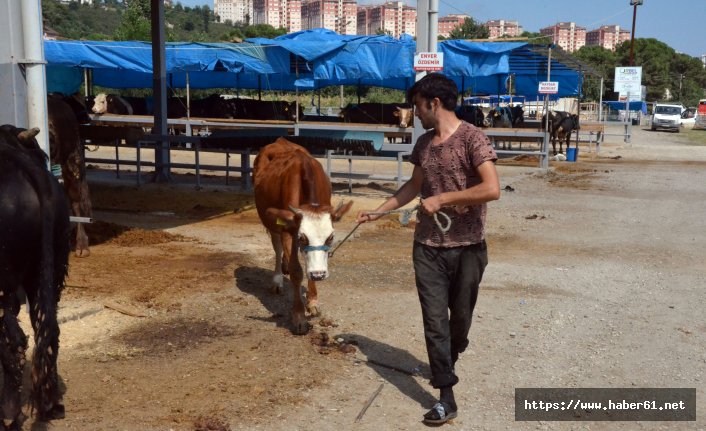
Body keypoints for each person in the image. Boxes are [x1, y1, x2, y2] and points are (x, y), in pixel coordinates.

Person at [356, 73, 500, 425]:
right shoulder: (423, 145)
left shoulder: (473, 138)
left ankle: (452, 350)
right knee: (435, 321)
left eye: (418, 106)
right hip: (428, 248)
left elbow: (492, 188)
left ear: (434, 103)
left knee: (459, 322)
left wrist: (443, 199)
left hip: (468, 247)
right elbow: (414, 186)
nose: (414, 113)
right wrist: (380, 210)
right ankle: (446, 396)